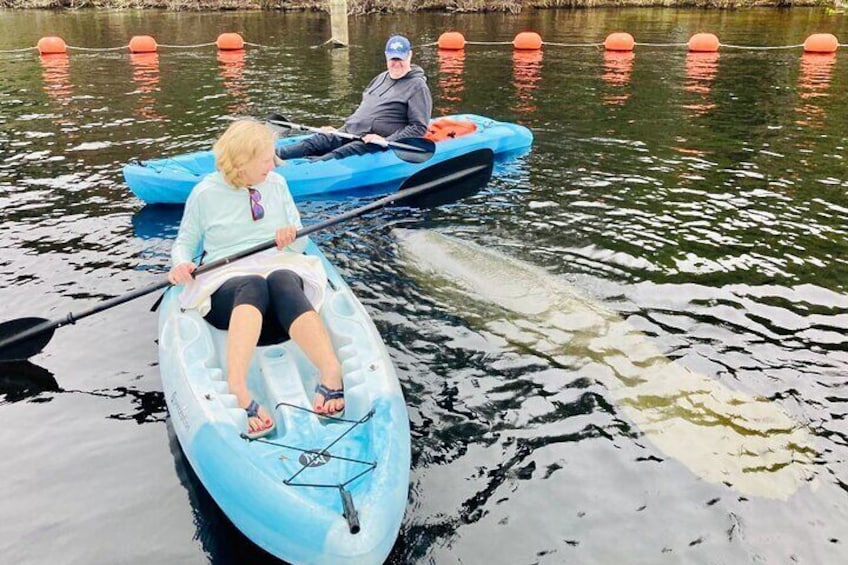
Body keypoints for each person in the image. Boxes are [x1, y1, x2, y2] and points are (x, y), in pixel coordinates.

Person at [168, 119, 344, 439]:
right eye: (264, 159)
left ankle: (331, 370)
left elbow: (300, 243)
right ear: (241, 161)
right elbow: (184, 244)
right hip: (228, 280)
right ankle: (238, 386)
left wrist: (290, 238)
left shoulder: (276, 184)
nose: (272, 164)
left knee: (280, 279)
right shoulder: (205, 193)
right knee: (253, 284)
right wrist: (181, 264)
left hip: (277, 302)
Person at [275, 35, 433, 161]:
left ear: (410, 56)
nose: (396, 63)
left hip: (376, 142)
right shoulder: (381, 78)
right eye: (393, 59)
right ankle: (271, 156)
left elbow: (418, 127)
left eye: (401, 58)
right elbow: (366, 111)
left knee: (335, 156)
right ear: (386, 56)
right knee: (316, 141)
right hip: (350, 131)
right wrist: (337, 130)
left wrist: (386, 140)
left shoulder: (417, 86)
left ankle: (300, 171)